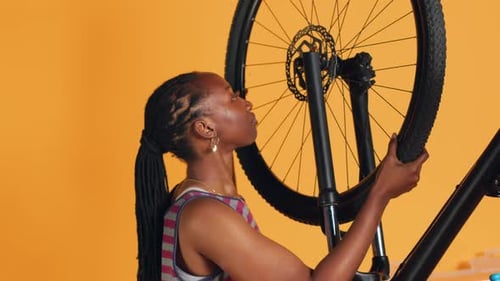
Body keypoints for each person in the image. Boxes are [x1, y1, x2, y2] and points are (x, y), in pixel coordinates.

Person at [134, 71, 429, 281]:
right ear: (206, 129)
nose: (246, 103)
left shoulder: (209, 197)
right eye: (232, 98)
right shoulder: (205, 216)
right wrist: (380, 194)